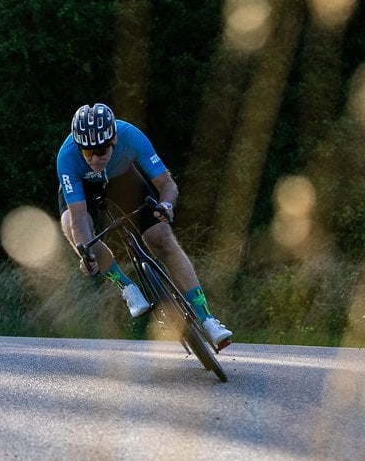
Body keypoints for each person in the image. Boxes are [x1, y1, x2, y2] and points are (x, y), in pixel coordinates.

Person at [56, 102, 233, 350]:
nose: (95, 158)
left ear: (114, 139)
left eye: (102, 150)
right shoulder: (67, 157)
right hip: (82, 187)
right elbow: (78, 217)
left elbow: (167, 185)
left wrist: (166, 206)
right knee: (75, 232)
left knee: (161, 238)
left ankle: (207, 319)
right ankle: (126, 286)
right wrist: (86, 251)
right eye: (88, 153)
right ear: (79, 147)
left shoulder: (131, 136)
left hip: (122, 179)